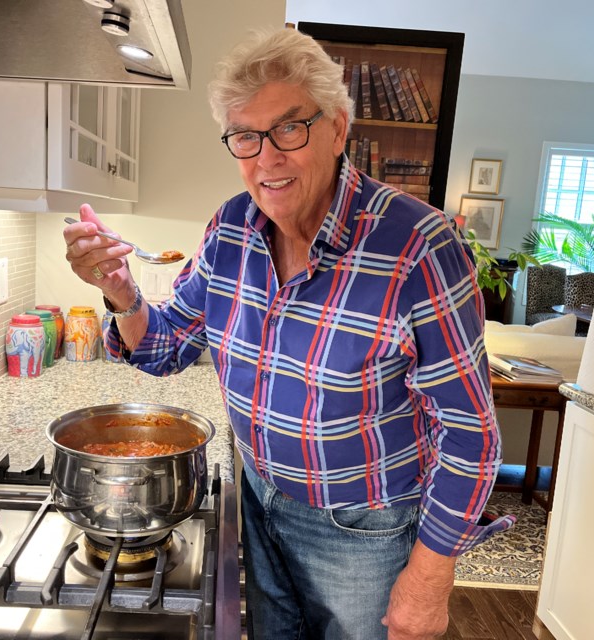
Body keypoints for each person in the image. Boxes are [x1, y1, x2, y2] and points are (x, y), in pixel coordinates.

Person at [63, 27, 514, 640]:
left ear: (337, 127)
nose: (266, 158)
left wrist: (430, 577)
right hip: (258, 497)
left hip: (364, 529)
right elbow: (165, 346)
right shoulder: (230, 229)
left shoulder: (418, 247)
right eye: (246, 137)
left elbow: (470, 435)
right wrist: (121, 291)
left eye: (289, 129)